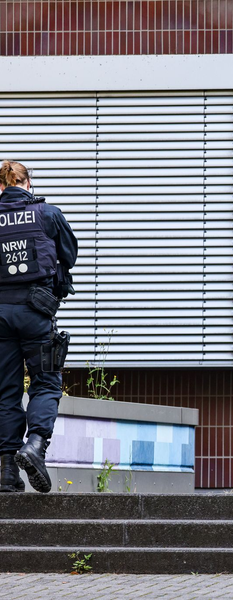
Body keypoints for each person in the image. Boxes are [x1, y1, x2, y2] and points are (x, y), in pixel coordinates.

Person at [0, 160, 77, 494]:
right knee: (45, 382)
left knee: (5, 391)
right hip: (36, 311)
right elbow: (69, 254)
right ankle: (35, 446)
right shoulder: (47, 213)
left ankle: (6, 472)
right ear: (27, 183)